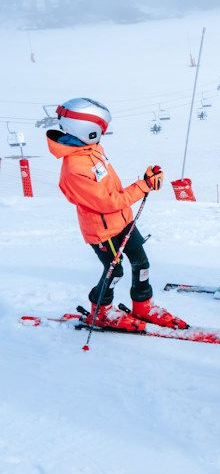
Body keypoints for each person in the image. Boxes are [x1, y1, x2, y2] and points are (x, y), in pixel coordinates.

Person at [46, 98, 182, 329]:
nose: (102, 132)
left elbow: (111, 188)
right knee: (114, 271)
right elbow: (109, 202)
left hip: (123, 221)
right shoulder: (73, 171)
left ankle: (143, 306)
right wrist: (144, 186)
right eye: (100, 128)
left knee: (142, 262)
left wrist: (145, 180)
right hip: (102, 232)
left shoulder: (92, 149)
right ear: (86, 130)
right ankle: (101, 311)